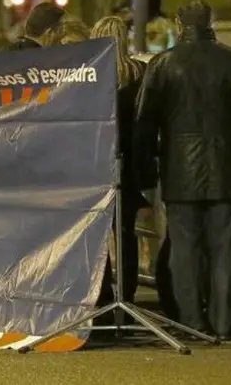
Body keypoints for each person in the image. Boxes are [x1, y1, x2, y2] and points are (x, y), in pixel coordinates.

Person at [133, 0, 231, 341]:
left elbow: (144, 123)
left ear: (179, 24)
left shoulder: (163, 65)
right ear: (211, 22)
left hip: (180, 170)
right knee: (225, 249)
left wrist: (147, 169)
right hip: (226, 167)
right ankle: (224, 322)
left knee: (184, 248)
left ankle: (192, 322)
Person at [89, 16, 151, 322]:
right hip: (128, 163)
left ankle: (100, 296)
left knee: (98, 234)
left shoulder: (90, 76)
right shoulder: (139, 74)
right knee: (126, 232)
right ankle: (126, 295)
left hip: (97, 163)